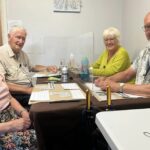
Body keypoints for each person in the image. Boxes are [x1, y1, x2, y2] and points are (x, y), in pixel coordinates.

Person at [95, 12, 150, 98]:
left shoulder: (122, 53)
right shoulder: (144, 52)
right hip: (135, 99)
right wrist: (107, 80)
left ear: (117, 40)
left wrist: (118, 86)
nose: (109, 42)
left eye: (111, 39)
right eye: (147, 27)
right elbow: (127, 74)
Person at [0, 26, 58, 105]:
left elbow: (33, 67)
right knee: (47, 103)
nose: (21, 41)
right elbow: (2, 85)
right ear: (9, 37)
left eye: (23, 39)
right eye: (18, 37)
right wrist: (27, 90)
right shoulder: (1, 54)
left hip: (29, 89)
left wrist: (47, 67)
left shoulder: (22, 54)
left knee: (54, 91)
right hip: (15, 96)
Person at [0, 74, 37, 149]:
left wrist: (23, 111)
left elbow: (9, 97)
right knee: (40, 138)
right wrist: (10, 126)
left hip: (12, 118)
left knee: (45, 123)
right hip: (3, 129)